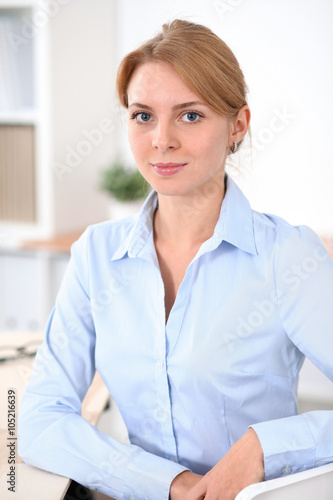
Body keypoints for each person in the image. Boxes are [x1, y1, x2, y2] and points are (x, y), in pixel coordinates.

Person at [18, 19, 333, 500]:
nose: (161, 140)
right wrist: (167, 483)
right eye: (143, 115)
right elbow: (39, 418)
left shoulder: (285, 256)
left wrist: (264, 449)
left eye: (189, 115)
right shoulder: (97, 255)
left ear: (238, 125)